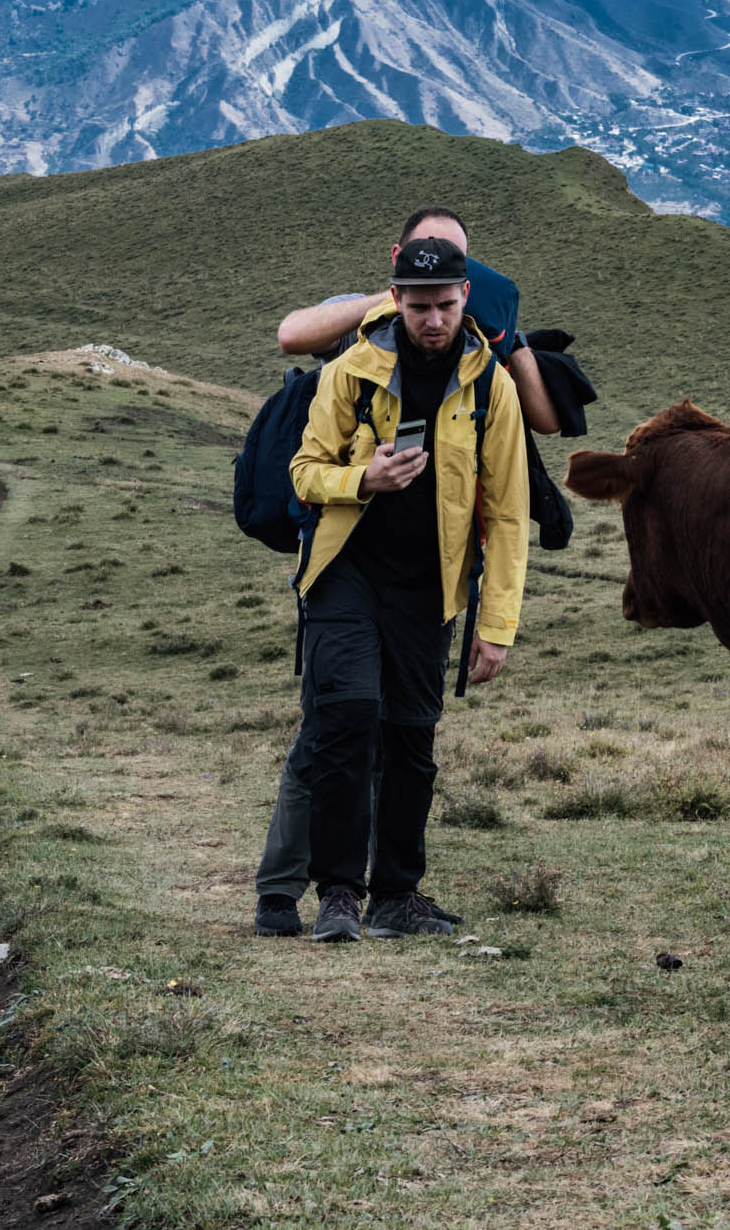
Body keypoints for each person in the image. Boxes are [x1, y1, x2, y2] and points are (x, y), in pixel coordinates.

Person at [255, 235, 529, 943]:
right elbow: (305, 471)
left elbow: (507, 511)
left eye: (444, 305)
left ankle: (397, 896)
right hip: (346, 573)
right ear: (394, 298)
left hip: (429, 589)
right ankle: (339, 893)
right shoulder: (352, 370)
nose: (432, 320)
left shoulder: (490, 384)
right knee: (347, 720)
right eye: (418, 306)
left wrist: (496, 625)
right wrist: (362, 480)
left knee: (412, 739)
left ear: (464, 297)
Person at [276, 207, 562, 435]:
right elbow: (290, 336)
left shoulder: (476, 333)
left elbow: (547, 423)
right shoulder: (361, 318)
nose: (436, 264)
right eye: (425, 252)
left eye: (451, 256)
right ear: (397, 255)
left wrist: (510, 339)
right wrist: (398, 303)